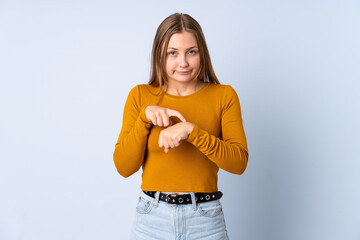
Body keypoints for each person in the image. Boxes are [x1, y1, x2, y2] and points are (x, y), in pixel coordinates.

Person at [113, 12, 249, 240]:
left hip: (205, 220)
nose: (183, 62)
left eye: (191, 52)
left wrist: (191, 131)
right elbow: (124, 167)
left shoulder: (224, 95)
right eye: (172, 53)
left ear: (201, 53)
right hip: (151, 219)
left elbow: (238, 163)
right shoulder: (140, 96)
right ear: (159, 55)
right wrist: (145, 118)